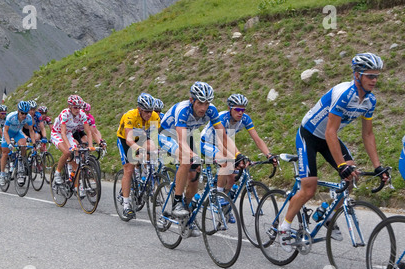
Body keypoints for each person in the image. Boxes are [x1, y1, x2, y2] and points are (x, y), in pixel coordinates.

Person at [279, 52, 390, 252]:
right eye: (370, 76)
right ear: (357, 75)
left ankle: (328, 214)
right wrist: (341, 166)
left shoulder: (369, 101)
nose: (374, 80)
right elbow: (330, 131)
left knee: (351, 177)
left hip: (328, 137)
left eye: (376, 76)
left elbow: (368, 134)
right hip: (310, 135)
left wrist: (378, 167)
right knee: (309, 188)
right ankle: (284, 228)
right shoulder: (344, 93)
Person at [159, 81, 238, 229]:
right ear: (192, 100)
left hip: (189, 134)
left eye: (207, 103)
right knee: (186, 159)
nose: (204, 108)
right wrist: (192, 156)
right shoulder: (183, 110)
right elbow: (181, 141)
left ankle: (187, 212)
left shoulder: (211, 111)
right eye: (200, 103)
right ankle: (176, 202)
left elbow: (224, 137)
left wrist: (237, 155)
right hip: (168, 134)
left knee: (195, 174)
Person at [200, 93, 277, 222]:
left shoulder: (245, 119)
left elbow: (257, 139)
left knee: (233, 176)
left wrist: (268, 154)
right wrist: (237, 156)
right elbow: (221, 142)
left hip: (224, 142)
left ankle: (225, 203)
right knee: (227, 161)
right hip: (207, 142)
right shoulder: (222, 118)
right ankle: (217, 196)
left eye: (243, 110)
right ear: (230, 108)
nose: (240, 113)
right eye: (237, 109)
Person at [116, 92, 160, 219]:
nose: (149, 114)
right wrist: (139, 149)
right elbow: (129, 140)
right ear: (139, 109)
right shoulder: (130, 116)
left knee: (152, 151)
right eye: (146, 111)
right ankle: (126, 206)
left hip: (141, 137)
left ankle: (144, 179)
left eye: (151, 111)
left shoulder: (154, 116)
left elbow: (154, 137)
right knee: (129, 168)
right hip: (125, 139)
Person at [51, 95, 92, 185]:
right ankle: (57, 172)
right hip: (57, 133)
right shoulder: (64, 114)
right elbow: (62, 132)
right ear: (70, 106)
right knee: (67, 152)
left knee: (77, 158)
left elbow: (88, 131)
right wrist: (69, 147)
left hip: (68, 134)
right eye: (75, 107)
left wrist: (90, 146)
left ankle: (77, 185)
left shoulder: (82, 114)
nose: (77, 110)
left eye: (79, 107)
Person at [0, 101, 36, 186]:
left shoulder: (28, 117)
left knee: (23, 145)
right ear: (18, 111)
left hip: (17, 132)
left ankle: (20, 166)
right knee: (5, 153)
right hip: (8, 133)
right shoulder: (10, 117)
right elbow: (5, 131)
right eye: (22, 113)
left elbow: (31, 131)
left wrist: (34, 144)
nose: (24, 115)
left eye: (25, 113)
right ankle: (2, 174)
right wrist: (9, 143)